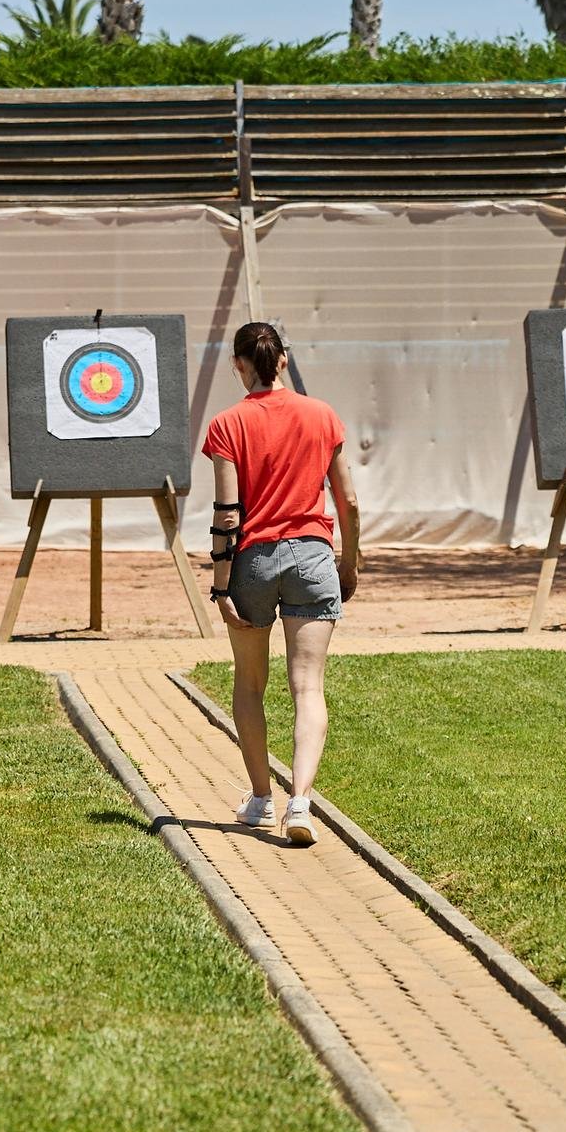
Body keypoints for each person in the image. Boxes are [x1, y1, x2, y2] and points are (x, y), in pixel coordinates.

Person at [203, 321, 359, 846]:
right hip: (315, 559)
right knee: (308, 687)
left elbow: (228, 514)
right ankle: (301, 804)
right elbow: (348, 501)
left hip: (251, 562)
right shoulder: (323, 415)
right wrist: (351, 562)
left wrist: (221, 587)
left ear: (237, 365)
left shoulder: (227, 424)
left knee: (250, 685)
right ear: (285, 359)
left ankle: (260, 800)